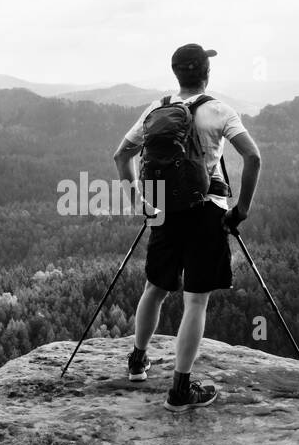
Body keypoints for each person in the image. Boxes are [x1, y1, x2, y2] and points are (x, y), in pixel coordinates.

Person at [111, 43, 263, 410]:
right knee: (196, 300)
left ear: (177, 73)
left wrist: (140, 203)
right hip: (206, 210)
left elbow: (122, 154)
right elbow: (253, 156)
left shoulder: (157, 108)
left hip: (164, 209)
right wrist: (240, 210)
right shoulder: (218, 110)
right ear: (205, 73)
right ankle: (180, 390)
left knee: (155, 287)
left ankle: (137, 361)